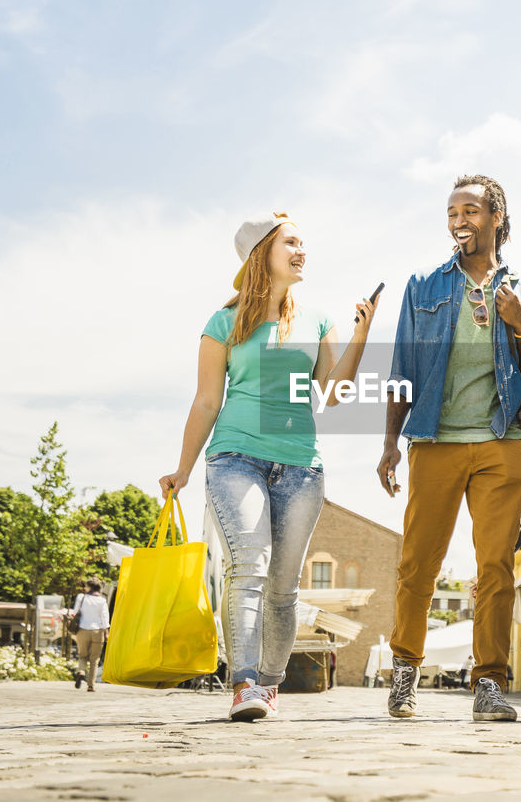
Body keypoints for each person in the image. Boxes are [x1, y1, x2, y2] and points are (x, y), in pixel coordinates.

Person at [160, 212, 379, 722]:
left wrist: (360, 337)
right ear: (262, 253)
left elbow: (332, 394)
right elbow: (206, 401)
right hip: (235, 456)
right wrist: (184, 468)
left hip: (301, 466)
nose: (303, 251)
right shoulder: (223, 323)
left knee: (284, 587)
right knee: (249, 566)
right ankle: (244, 684)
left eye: (305, 243)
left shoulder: (317, 319)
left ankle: (270, 686)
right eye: (292, 243)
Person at [377, 175, 521, 722]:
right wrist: (389, 445)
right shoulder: (423, 285)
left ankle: (489, 683)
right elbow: (401, 367)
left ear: (496, 217)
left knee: (494, 567)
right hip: (436, 438)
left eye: (470, 210)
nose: (458, 220)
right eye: (451, 212)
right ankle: (404, 672)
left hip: (500, 440)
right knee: (418, 563)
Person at [73, 580, 110, 692]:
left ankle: (81, 672)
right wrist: (106, 632)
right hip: (97, 632)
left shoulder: (81, 597)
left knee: (82, 655)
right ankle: (91, 685)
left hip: (82, 630)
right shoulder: (102, 601)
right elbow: (104, 618)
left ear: (89, 587)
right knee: (94, 659)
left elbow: (75, 613)